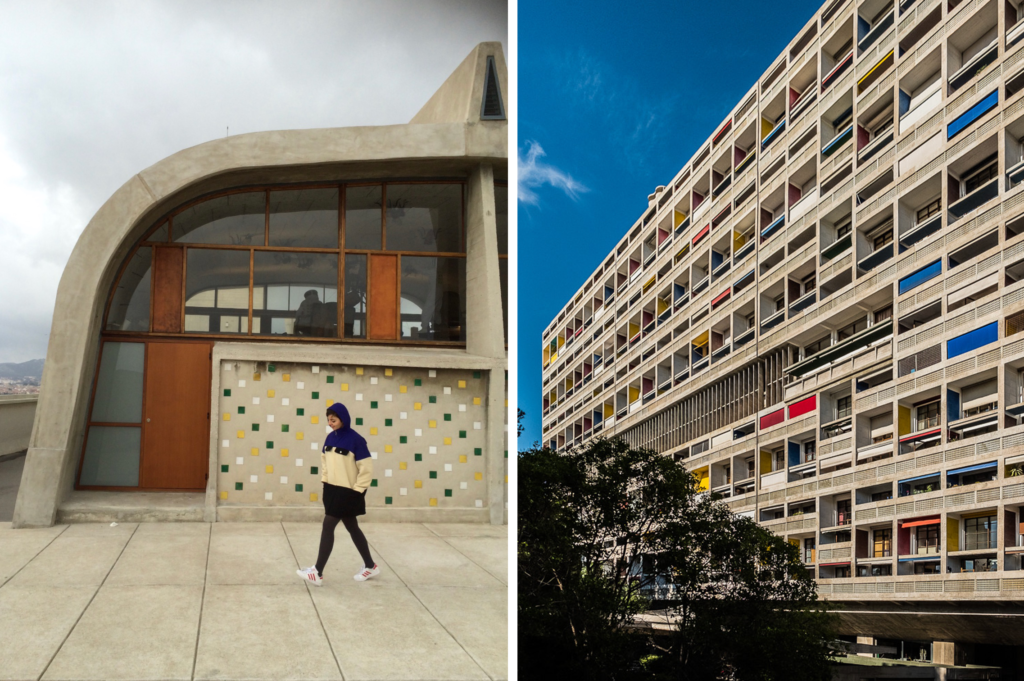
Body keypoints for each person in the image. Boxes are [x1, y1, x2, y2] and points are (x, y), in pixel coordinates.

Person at [296, 402, 379, 586]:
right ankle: (370, 565)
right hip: (331, 489)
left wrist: (358, 491)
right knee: (352, 527)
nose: (330, 423)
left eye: (333, 420)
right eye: (328, 420)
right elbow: (325, 462)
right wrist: (324, 482)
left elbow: (366, 469)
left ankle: (317, 572)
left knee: (328, 525)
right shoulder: (329, 438)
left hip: (348, 491)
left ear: (343, 418)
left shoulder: (356, 440)